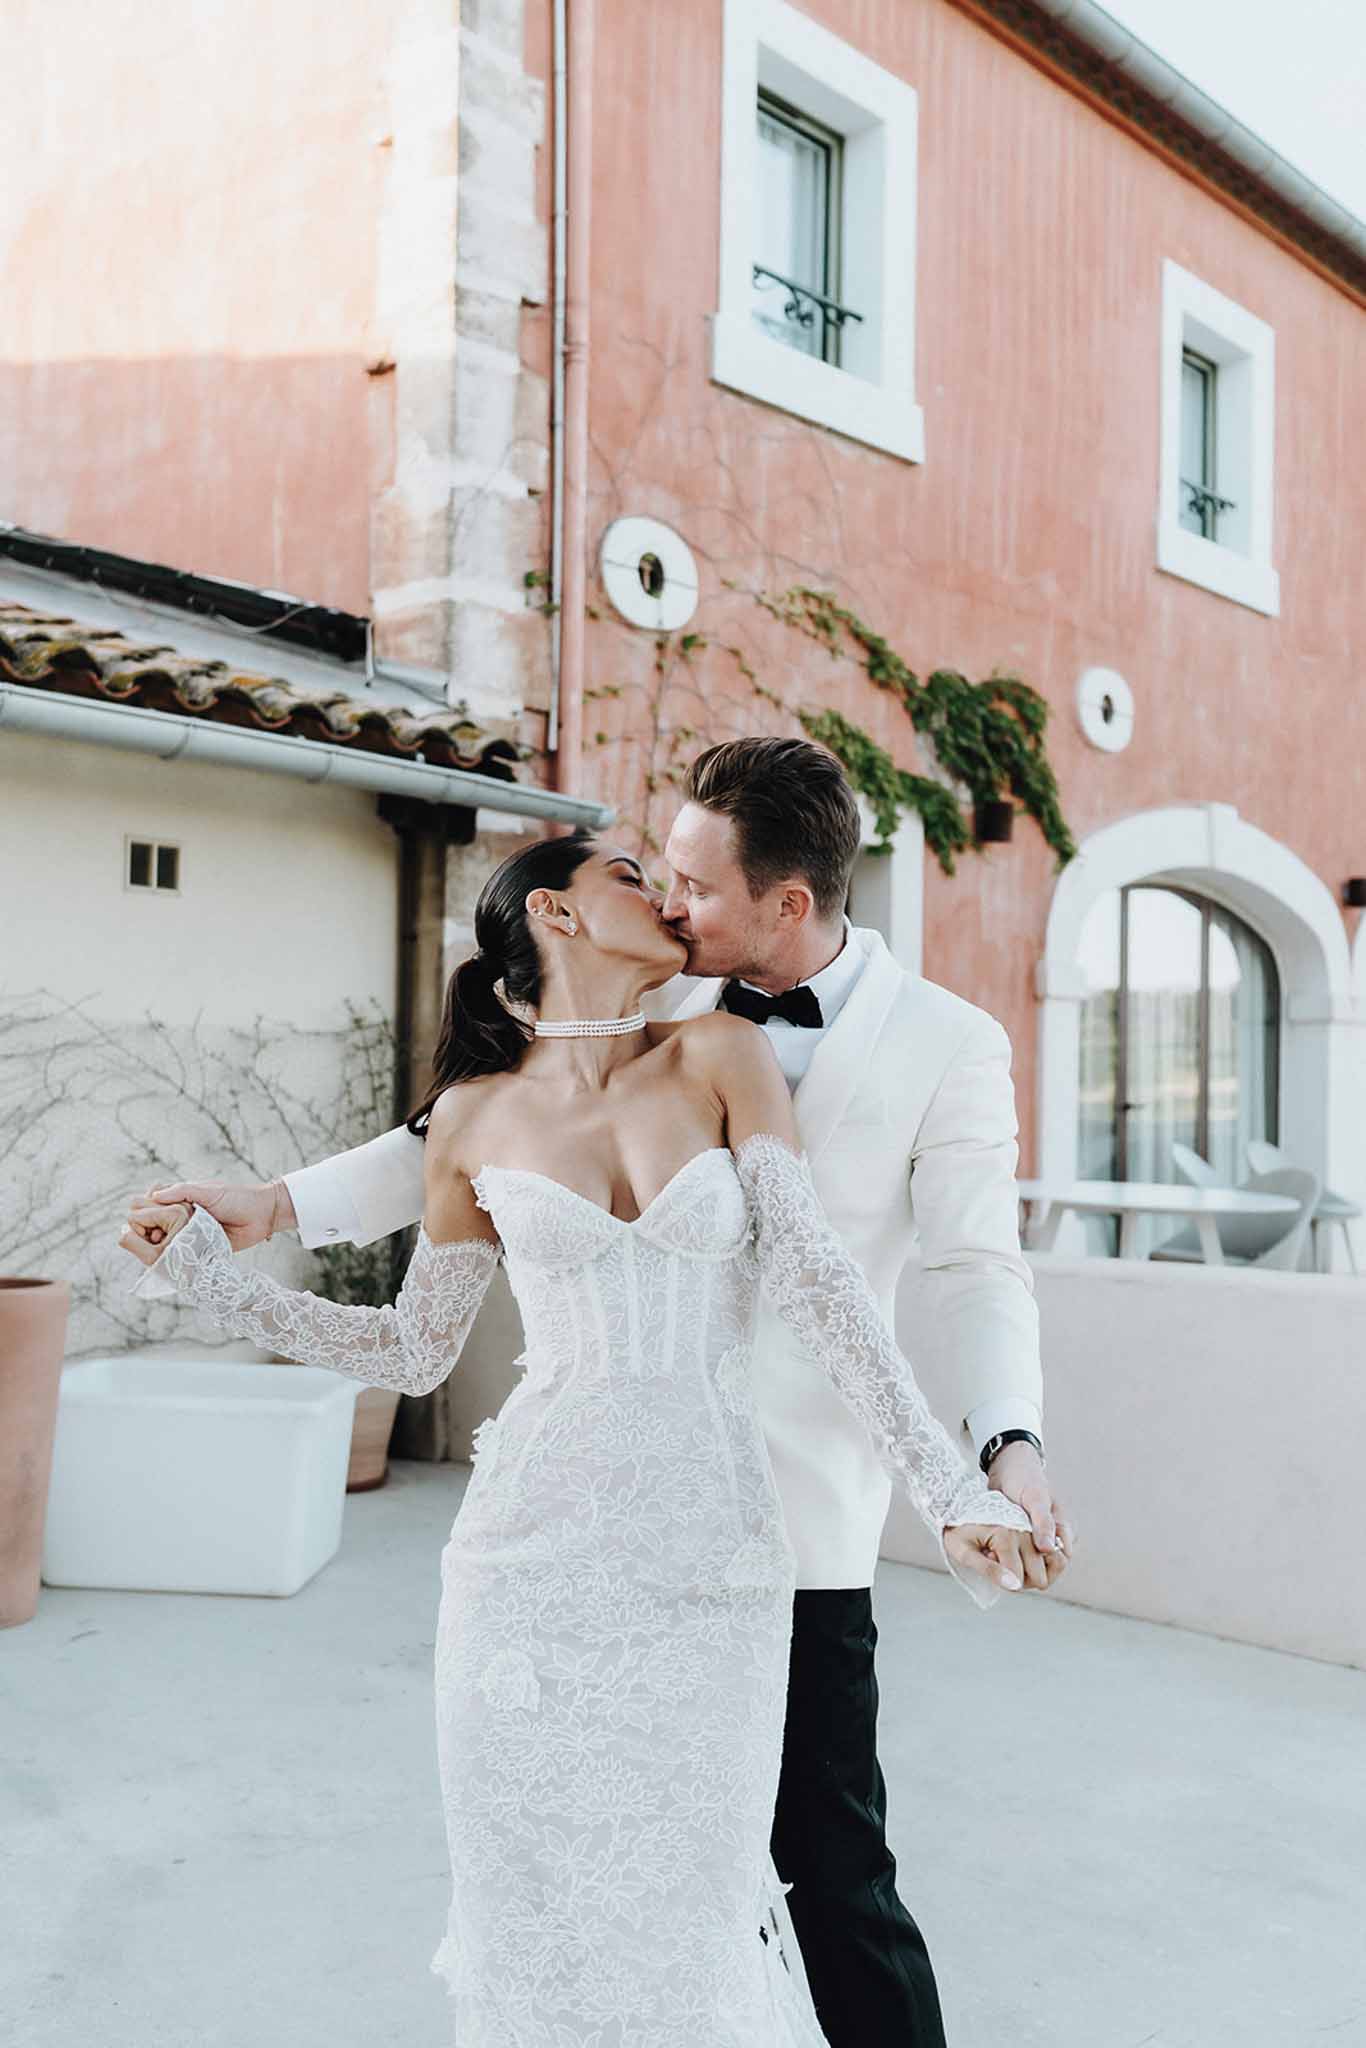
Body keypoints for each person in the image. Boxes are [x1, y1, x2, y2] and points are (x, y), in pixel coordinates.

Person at [126, 737, 1070, 2047]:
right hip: (544, 1543)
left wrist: (989, 1457)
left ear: (785, 904)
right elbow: (447, 1160)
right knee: (552, 1898)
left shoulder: (924, 1044)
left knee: (828, 1876)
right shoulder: (670, 1013)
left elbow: (956, 1270)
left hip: (776, 1522)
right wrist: (260, 1223)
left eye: (687, 879)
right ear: (565, 917)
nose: (671, 901)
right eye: (649, 874)